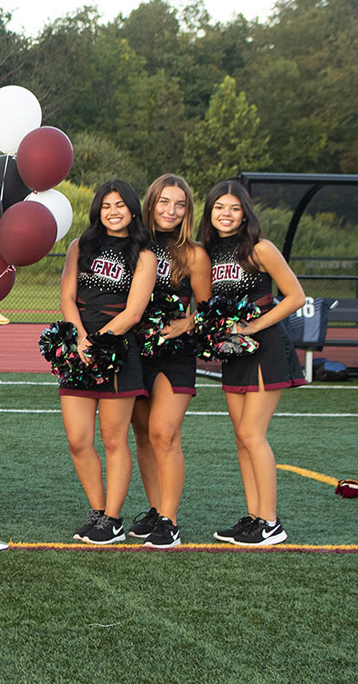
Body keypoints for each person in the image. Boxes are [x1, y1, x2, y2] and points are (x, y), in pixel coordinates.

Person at [199, 180, 306, 547]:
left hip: (265, 348)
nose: (226, 215)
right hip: (235, 352)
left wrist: (255, 325)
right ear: (209, 212)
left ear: (245, 213)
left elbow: (295, 296)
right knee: (240, 439)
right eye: (219, 208)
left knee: (251, 434)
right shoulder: (209, 253)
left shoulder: (260, 249)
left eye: (234, 208)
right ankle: (254, 517)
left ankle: (271, 523)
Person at [57, 179, 156, 545]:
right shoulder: (79, 246)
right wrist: (80, 338)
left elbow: (134, 311)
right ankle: (98, 511)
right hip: (78, 346)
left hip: (117, 350)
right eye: (106, 205)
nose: (113, 212)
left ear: (132, 209)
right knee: (78, 439)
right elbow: (68, 297)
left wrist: (99, 342)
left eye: (120, 205)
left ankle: (113, 519)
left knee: (114, 440)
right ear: (98, 209)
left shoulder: (144, 253)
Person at [130, 174, 211, 548]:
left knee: (165, 434)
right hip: (134, 351)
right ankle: (154, 509)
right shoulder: (133, 244)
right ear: (151, 204)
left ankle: (170, 521)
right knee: (144, 436)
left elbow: (210, 310)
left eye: (180, 204)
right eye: (164, 202)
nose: (171, 211)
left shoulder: (194, 253)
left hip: (175, 354)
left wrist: (186, 323)